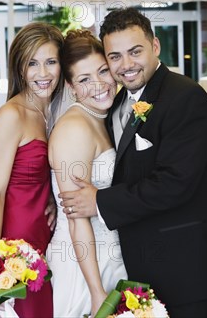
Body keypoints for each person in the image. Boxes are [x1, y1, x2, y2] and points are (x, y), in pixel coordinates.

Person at [58, 8, 207, 317]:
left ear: (155, 46)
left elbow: (175, 183)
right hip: (137, 269)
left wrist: (99, 201)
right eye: (115, 57)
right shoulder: (117, 101)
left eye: (135, 52)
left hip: (183, 270)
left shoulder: (186, 97)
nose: (127, 65)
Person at [0, 22, 63, 317]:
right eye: (32, 63)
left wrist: (52, 197)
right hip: (15, 246)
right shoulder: (11, 115)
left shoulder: (50, 110)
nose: (43, 73)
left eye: (51, 62)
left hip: (46, 238)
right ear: (19, 67)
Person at [46, 29, 127, 317]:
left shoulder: (102, 118)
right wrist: (96, 292)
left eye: (103, 71)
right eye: (84, 79)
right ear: (71, 86)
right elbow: (76, 217)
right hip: (83, 264)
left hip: (111, 254)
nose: (99, 85)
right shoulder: (75, 128)